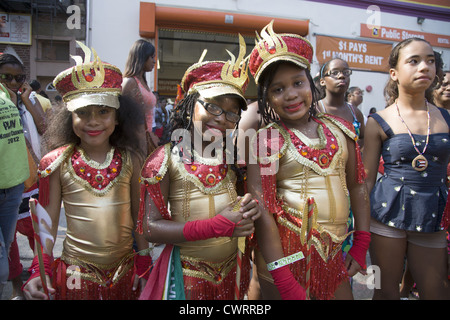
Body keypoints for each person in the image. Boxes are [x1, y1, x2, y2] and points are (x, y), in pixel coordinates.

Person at [246, 21, 371, 300]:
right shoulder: (265, 140)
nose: (290, 94)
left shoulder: (342, 130)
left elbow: (358, 185)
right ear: (266, 98)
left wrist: (362, 241)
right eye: (277, 89)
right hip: (283, 259)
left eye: (297, 83)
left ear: (311, 83)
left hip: (333, 255)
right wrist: (281, 274)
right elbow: (263, 208)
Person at [22, 42, 150, 300]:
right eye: (82, 113)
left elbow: (139, 216)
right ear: (69, 118)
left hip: (124, 273)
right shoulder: (55, 162)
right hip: (75, 276)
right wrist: (40, 270)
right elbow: (47, 222)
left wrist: (144, 262)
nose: (93, 121)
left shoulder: (131, 159)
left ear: (117, 117)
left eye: (103, 111)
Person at [138, 35, 261, 300]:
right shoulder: (165, 159)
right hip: (185, 279)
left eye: (231, 113)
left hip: (232, 275)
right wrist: (217, 226)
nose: (221, 119)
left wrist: (247, 210)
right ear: (189, 105)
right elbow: (150, 228)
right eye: (213, 106)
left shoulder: (234, 159)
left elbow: (244, 205)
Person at [363, 37, 450, 300]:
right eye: (413, 61)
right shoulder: (377, 121)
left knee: (436, 291)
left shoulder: (445, 118)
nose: (424, 66)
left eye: (430, 61)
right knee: (384, 290)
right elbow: (366, 180)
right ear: (394, 73)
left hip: (432, 217)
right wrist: (359, 227)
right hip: (385, 218)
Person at [0, 82, 29, 298]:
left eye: (18, 76)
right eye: (8, 75)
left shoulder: (6, 93)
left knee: (7, 247)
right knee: (2, 264)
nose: (14, 80)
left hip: (13, 185)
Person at [318, 58, 365, 149]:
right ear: (322, 81)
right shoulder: (315, 109)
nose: (341, 76)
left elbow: (362, 137)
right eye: (335, 73)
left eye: (346, 72)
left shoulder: (355, 113)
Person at [122, 39, 159, 157]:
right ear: (142, 58)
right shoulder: (130, 83)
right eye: (151, 57)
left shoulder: (142, 82)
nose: (154, 61)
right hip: (134, 144)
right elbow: (123, 117)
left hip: (146, 139)